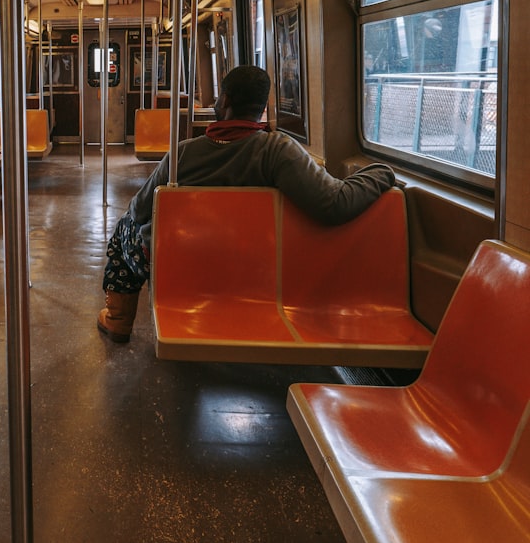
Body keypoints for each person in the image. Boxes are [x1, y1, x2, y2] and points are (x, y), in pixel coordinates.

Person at [98, 64, 398, 343]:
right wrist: (380, 172)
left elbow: (139, 210)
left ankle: (118, 319)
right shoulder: (277, 151)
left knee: (124, 227)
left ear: (224, 100)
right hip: (259, 265)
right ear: (262, 108)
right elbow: (335, 204)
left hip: (179, 261)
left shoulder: (183, 155)